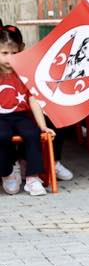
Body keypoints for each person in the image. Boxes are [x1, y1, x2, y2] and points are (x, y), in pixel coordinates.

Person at [0, 25, 51, 197]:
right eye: (4, 53)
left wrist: (43, 126)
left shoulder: (25, 73)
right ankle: (7, 173)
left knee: (32, 133)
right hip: (1, 118)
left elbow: (33, 99)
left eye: (14, 54)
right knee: (1, 135)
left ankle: (32, 178)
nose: (10, 58)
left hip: (21, 115)